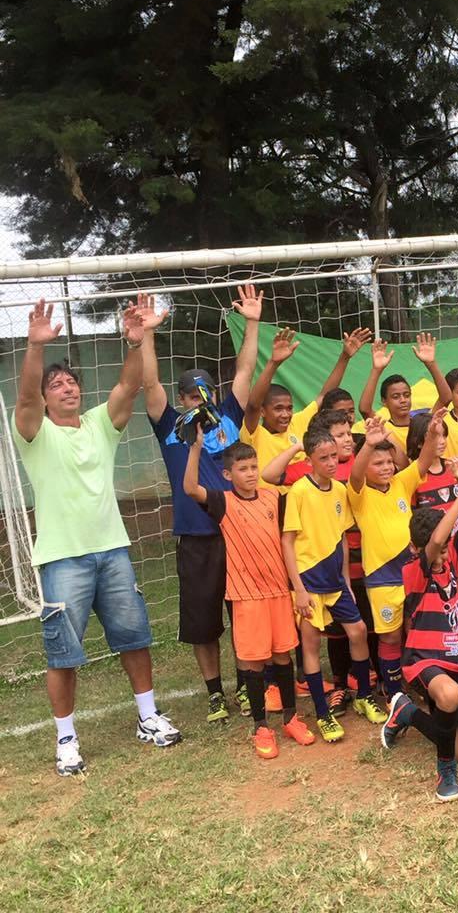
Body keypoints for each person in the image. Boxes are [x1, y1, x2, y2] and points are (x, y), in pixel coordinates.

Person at [14, 297, 182, 776]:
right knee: (62, 653)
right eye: (55, 384)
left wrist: (135, 341)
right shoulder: (34, 431)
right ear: (46, 399)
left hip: (113, 552)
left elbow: (130, 386)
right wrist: (34, 348)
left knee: (134, 638)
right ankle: (66, 739)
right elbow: (24, 399)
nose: (64, 387)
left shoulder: (98, 426)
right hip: (62, 559)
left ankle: (148, 716)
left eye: (70, 381)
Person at [142, 285, 262, 722]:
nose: (199, 401)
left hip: (237, 531)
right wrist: (147, 335)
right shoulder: (171, 426)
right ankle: (215, 692)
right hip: (195, 536)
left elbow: (246, 368)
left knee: (244, 613)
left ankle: (247, 685)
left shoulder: (229, 416)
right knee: (203, 619)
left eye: (204, 392)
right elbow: (149, 382)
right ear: (182, 400)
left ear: (214, 392)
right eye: (191, 396)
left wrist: (251, 322)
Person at [184, 438, 315, 758]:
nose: (251, 473)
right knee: (254, 662)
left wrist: (296, 448)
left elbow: (286, 538)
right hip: (246, 596)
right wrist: (195, 449)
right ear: (228, 475)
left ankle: (290, 718)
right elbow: (190, 489)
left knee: (284, 656)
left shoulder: (273, 497)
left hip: (277, 593)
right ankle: (261, 726)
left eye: (254, 467)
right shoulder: (222, 501)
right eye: (243, 469)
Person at [379, 469, 458, 802]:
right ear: (417, 548)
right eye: (435, 553)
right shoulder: (415, 568)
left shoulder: (449, 557)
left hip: (457, 660)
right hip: (424, 659)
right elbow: (437, 540)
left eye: (443, 554)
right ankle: (445, 772)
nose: (441, 558)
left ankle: (406, 713)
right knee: (450, 695)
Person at [281, 426, 386, 743]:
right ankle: (322, 714)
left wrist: (344, 579)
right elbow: (287, 542)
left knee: (357, 632)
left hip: (335, 583)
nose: (330, 462)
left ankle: (365, 697)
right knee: (311, 645)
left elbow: (341, 537)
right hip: (309, 583)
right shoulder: (299, 491)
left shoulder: (340, 490)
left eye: (333, 456)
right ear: (309, 459)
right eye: (323, 457)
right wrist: (298, 588)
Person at [348, 412, 444, 697]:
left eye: (389, 461)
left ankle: (420, 683)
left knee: (416, 629)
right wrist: (369, 445)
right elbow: (354, 475)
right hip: (381, 577)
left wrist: (433, 434)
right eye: (378, 463)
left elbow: (423, 461)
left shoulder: (401, 483)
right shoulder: (359, 494)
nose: (387, 467)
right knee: (389, 635)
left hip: (412, 572)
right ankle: (393, 692)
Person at [242, 325, 371, 487]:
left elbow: (325, 395)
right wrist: (273, 364)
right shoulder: (254, 433)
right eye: (278, 408)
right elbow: (253, 405)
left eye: (289, 408)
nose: (285, 414)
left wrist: (345, 357)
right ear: (262, 411)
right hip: (270, 505)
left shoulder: (298, 422)